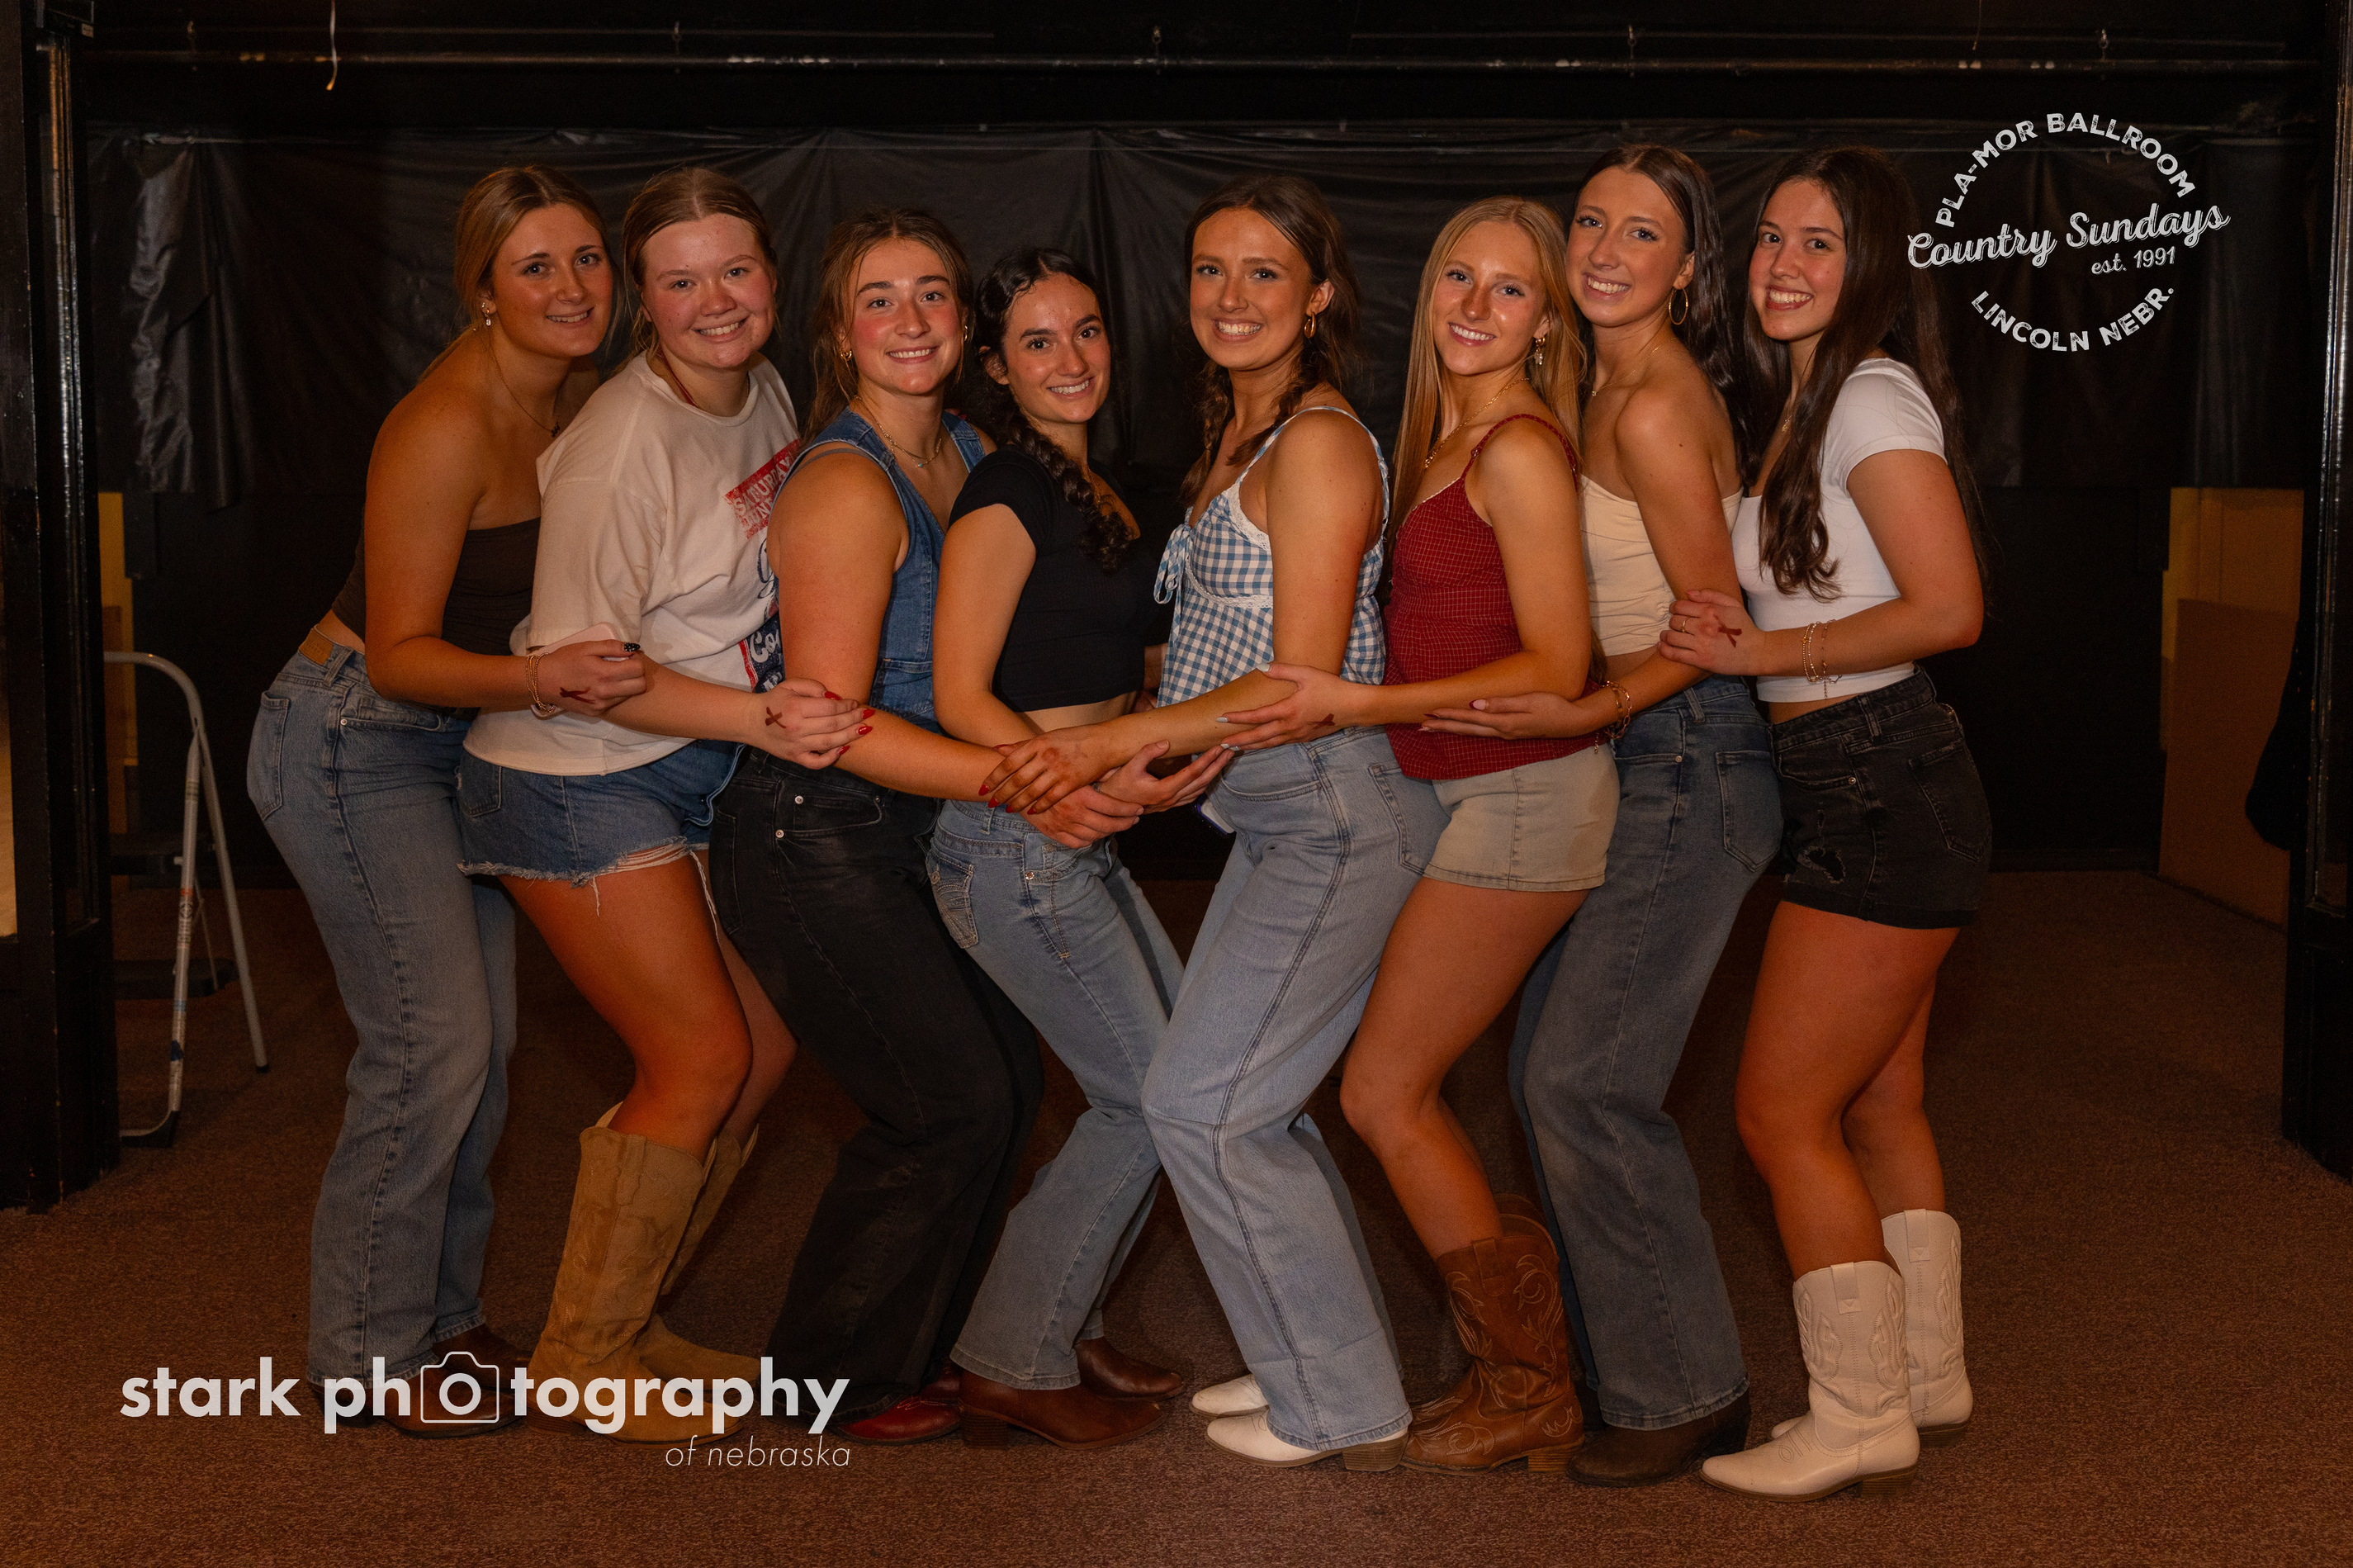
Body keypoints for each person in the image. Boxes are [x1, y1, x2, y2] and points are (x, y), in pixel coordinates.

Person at [982, 173, 1446, 1471]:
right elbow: (1210, 645)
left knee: (1204, 1107)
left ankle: (1337, 1406)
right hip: (1274, 817)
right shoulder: (1241, 432)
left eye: (1263, 272)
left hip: (1334, 811)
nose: (1231, 296)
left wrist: (1101, 744)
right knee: (1243, 1104)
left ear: (1320, 295)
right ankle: (1324, 1369)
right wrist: (1147, 724)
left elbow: (1296, 681)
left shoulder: (1317, 443)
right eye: (1208, 270)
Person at [712, 210, 1168, 1445]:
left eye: (931, 296)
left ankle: (983, 1340)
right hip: (814, 835)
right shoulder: (843, 485)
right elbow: (832, 721)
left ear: (967, 328)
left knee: (1006, 1083)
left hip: (920, 820)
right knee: (948, 1100)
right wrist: (1029, 781)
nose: (909, 321)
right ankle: (827, 1380)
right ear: (838, 332)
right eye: (879, 299)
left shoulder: (970, 447)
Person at [455, 166, 861, 1444]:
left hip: (687, 767)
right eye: (681, 282)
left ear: (773, 275)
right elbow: (591, 672)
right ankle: (581, 1358)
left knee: (765, 1047)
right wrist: (764, 717)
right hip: (573, 778)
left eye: (734, 270)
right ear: (644, 299)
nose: (715, 300)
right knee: (699, 1058)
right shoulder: (620, 445)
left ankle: (627, 1323)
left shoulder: (763, 388)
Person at [1211, 196, 1603, 1473]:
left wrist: (1358, 703)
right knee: (1394, 1089)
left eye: (1509, 290)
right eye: (1456, 280)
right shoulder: (1441, 440)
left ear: (1547, 324)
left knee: (1384, 1091)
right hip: (1459, 793)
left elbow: (1557, 662)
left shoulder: (1518, 449)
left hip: (1526, 797)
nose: (1475, 308)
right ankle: (1527, 1366)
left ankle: (1529, 1383)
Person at [249, 166, 640, 1436]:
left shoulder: (574, 395)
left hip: (459, 748)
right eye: (536, 266)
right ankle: (366, 1354)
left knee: (485, 1048)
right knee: (431, 1047)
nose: (571, 287)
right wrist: (540, 679)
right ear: (481, 289)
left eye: (587, 258)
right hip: (352, 741)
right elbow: (402, 655)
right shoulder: (443, 424)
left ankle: (442, 1317)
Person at [1421, 144, 1773, 1485]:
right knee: (1543, 1075)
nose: (1607, 250)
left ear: (1687, 270)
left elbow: (1715, 626)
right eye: (1590, 222)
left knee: (1584, 1083)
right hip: (1637, 752)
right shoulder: (1591, 382)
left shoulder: (1652, 406)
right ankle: (1602, 1368)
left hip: (1688, 754)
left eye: (1643, 233)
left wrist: (1591, 706)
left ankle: (1687, 1390)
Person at [1659, 145, 1989, 1501]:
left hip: (1877, 777)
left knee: (1777, 1113)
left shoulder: (1866, 395)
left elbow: (1949, 608)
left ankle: (1856, 1415)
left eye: (1820, 244)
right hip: (1868, 776)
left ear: (1872, 271)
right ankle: (1924, 1373)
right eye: (1771, 239)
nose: (1783, 266)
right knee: (1878, 1098)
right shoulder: (1805, 401)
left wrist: (1762, 656)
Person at [926, 248, 1229, 1451]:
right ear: (997, 369)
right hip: (1016, 838)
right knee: (1147, 1100)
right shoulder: (1007, 489)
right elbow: (959, 693)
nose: (1071, 359)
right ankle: (1011, 1356)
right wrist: (1060, 785)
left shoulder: (1095, 485)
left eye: (1087, 330)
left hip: (1075, 829)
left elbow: (1102, 658)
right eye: (1038, 342)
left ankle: (1068, 1319)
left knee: (1169, 1077)